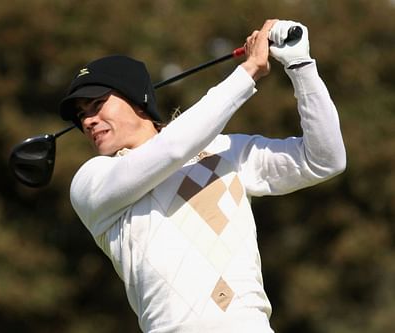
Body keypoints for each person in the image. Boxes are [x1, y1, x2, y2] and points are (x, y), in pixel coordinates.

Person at [58, 19, 346, 333]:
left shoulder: (225, 150)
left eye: (97, 105)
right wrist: (248, 71)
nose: (88, 121)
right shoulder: (92, 181)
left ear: (136, 98)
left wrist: (300, 66)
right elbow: (172, 149)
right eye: (81, 114)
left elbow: (324, 160)